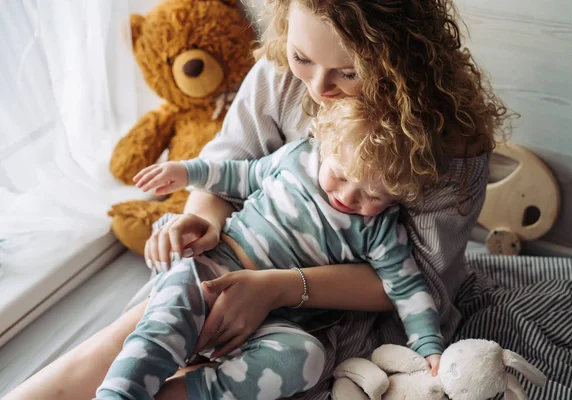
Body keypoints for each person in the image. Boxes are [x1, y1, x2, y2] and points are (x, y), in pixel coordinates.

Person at [4, 1, 508, 399]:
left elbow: (415, 285)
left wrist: (276, 289)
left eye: (348, 73)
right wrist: (199, 222)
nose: (316, 85)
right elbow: (228, 169)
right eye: (302, 57)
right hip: (234, 261)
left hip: (329, 306)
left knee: (282, 364)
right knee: (137, 333)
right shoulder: (282, 81)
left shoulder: (445, 148)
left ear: (399, 60)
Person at [94, 98, 444, 399]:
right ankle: (121, 392)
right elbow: (239, 175)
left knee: (307, 358)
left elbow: (408, 289)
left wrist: (428, 344)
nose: (349, 196)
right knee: (164, 326)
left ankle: (185, 392)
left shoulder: (381, 229)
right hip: (212, 269)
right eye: (341, 174)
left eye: (373, 195)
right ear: (328, 144)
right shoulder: (296, 160)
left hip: (273, 315)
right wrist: (187, 173)